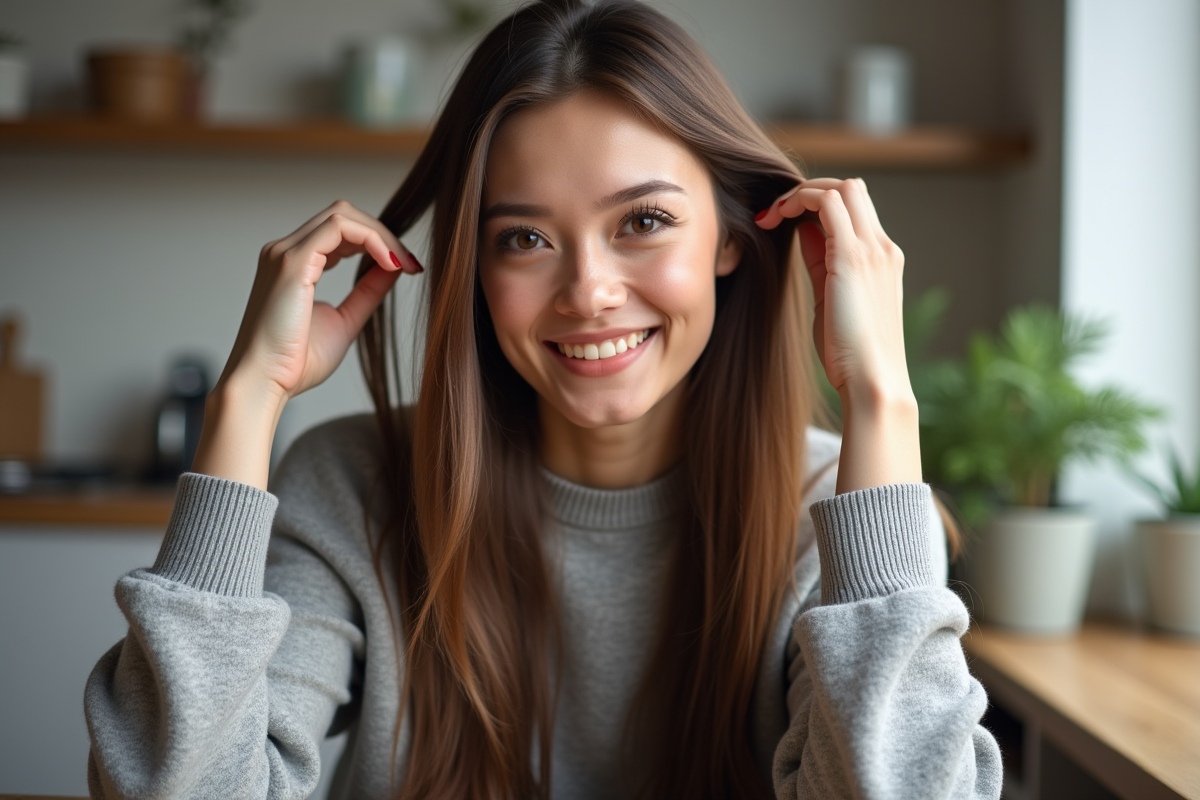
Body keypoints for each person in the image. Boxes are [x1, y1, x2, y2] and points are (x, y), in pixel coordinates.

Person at [84, 0, 1002, 798]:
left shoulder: (836, 514)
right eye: (523, 238)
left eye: (643, 222)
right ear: (474, 272)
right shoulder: (354, 487)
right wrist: (247, 400)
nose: (589, 291)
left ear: (731, 237)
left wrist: (882, 399)